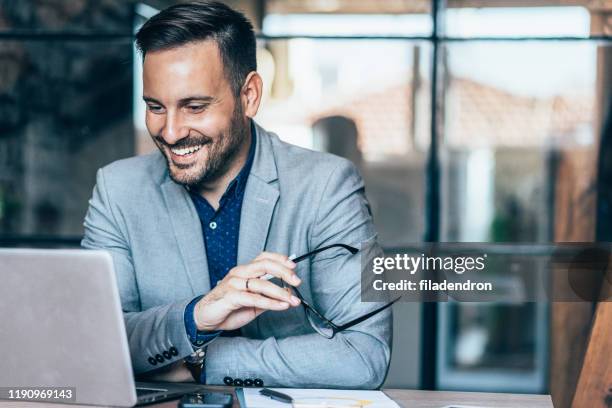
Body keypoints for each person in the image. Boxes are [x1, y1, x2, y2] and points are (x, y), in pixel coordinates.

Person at [82, 0, 391, 388]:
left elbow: (365, 355)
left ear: (249, 95)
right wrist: (196, 316)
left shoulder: (328, 186)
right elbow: (97, 341)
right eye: (155, 106)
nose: (171, 132)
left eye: (194, 107)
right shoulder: (117, 190)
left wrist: (202, 361)